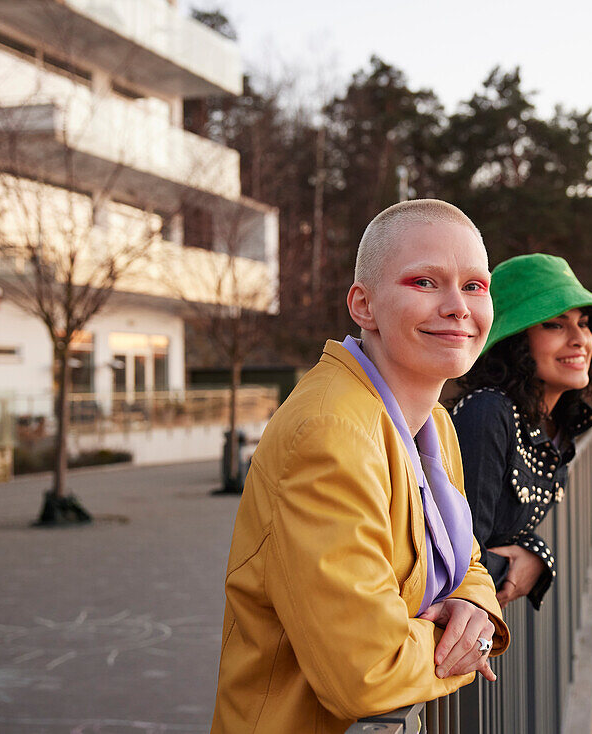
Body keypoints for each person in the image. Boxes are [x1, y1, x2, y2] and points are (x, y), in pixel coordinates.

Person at [211, 200, 509, 734]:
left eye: (474, 286)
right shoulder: (329, 432)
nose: (457, 306)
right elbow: (368, 670)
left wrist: (476, 612)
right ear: (363, 305)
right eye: (424, 282)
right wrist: (463, 648)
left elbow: (467, 562)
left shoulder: (435, 424)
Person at [451, 254, 592, 609]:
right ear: (515, 340)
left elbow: (509, 536)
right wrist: (531, 561)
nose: (580, 340)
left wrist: (539, 555)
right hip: (442, 646)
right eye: (555, 325)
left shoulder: (555, 425)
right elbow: (459, 566)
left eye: (584, 323)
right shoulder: (488, 413)